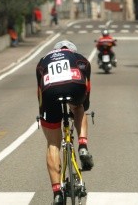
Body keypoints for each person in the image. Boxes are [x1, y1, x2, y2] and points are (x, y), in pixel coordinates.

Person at [36, 40, 94, 205]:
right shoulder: (79, 58)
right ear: (71, 51)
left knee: (53, 143)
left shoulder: (43, 61)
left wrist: (44, 115)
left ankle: (57, 194)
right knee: (78, 108)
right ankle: (83, 146)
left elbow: (39, 92)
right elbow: (87, 88)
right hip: (75, 88)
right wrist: (82, 107)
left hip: (49, 92)